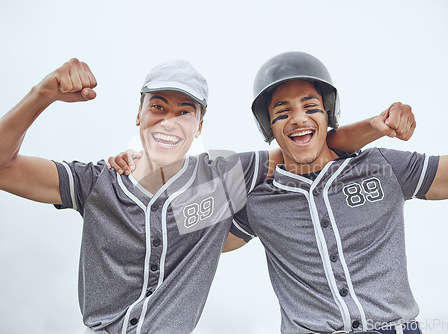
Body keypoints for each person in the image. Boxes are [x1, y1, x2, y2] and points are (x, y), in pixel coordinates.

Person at [0, 58, 415, 334]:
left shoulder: (223, 179)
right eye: (158, 107)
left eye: (185, 111)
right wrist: (43, 93)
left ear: (199, 125)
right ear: (139, 114)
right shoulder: (97, 183)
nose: (170, 120)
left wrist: (376, 126)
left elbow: (307, 144)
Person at [223, 51, 448, 334]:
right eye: (283, 112)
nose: (298, 119)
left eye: (310, 107)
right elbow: (194, 241)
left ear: (328, 112)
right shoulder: (258, 201)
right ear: (268, 125)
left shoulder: (383, 166)